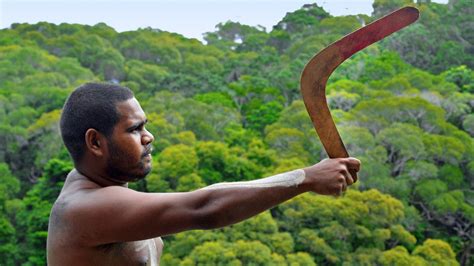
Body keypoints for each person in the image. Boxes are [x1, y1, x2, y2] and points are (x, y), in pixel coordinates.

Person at [47, 82, 361, 265]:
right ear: (95, 142)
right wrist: (306, 178)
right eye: (134, 129)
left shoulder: (110, 192)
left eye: (146, 125)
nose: (149, 136)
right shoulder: (81, 210)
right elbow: (203, 208)